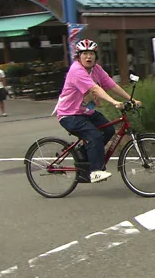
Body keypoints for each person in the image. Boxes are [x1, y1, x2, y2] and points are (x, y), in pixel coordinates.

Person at [54, 39, 142, 183]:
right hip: (69, 115)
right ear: (78, 56)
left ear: (96, 56)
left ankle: (83, 157)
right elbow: (94, 89)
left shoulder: (96, 69)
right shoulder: (76, 70)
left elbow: (112, 85)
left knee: (108, 130)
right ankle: (95, 171)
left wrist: (131, 99)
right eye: (84, 54)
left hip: (86, 112)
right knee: (94, 135)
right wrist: (114, 102)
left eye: (91, 54)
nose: (88, 57)